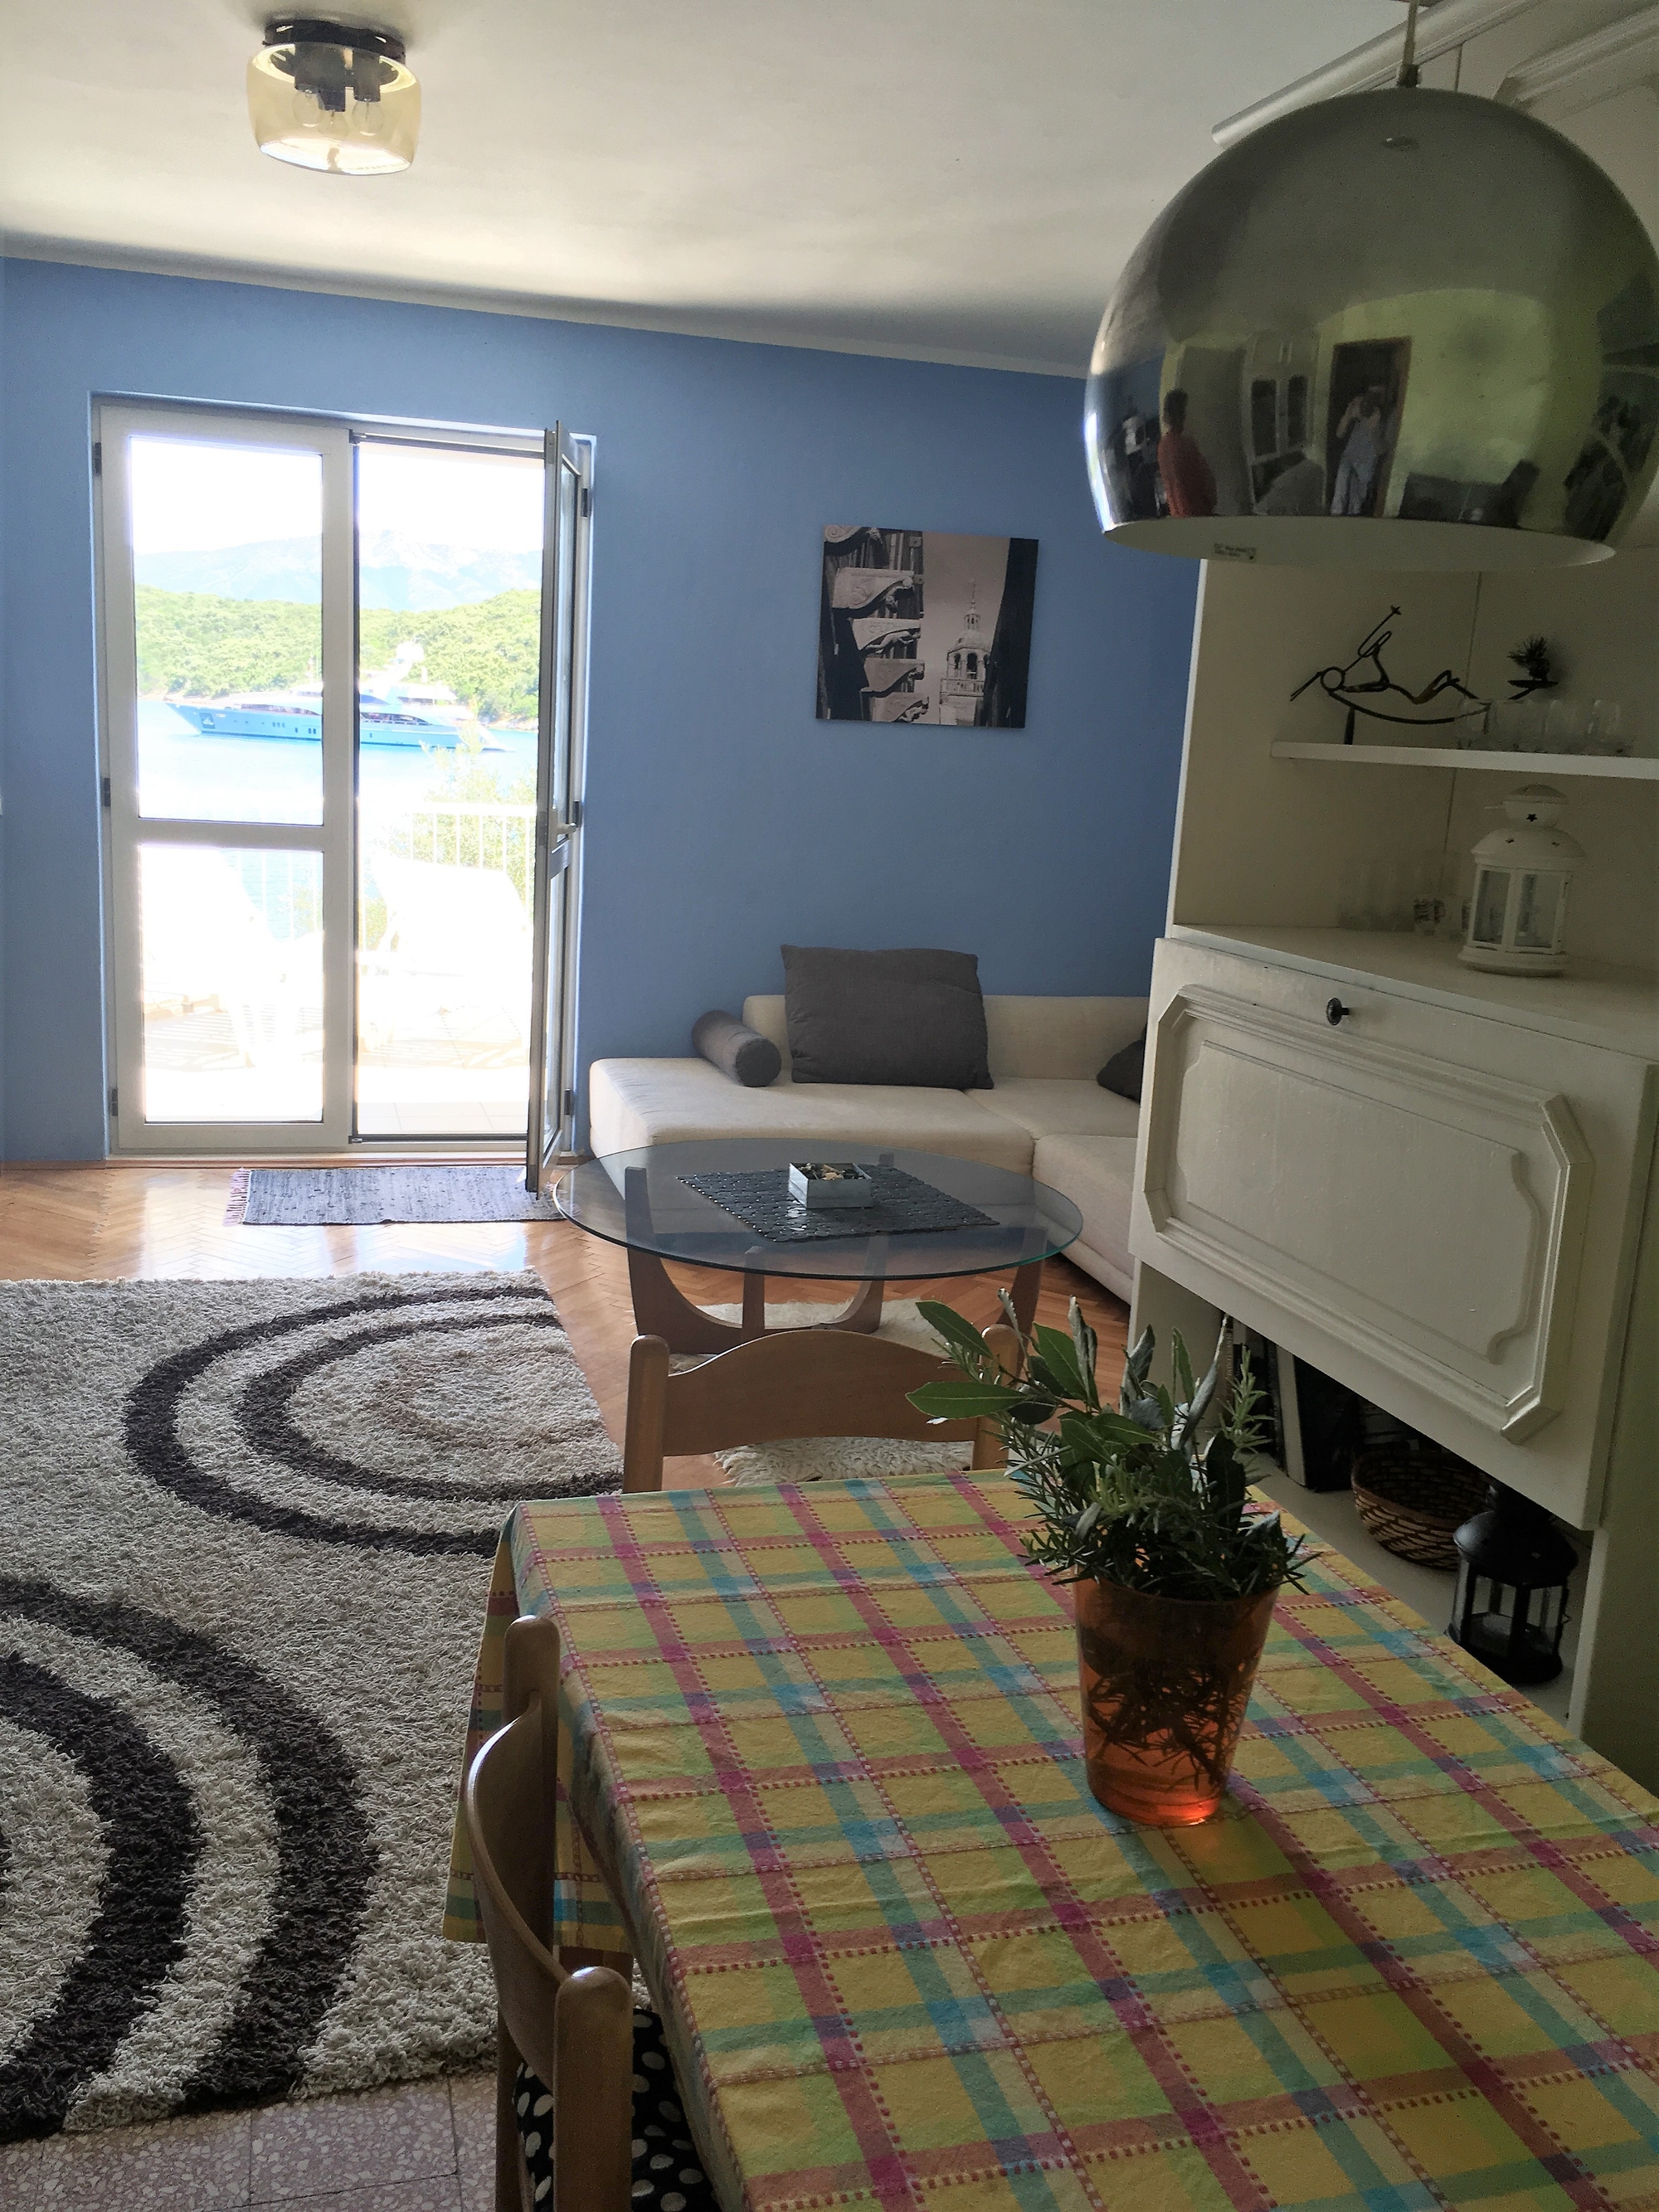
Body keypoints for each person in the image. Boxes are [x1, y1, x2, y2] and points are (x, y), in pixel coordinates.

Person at [1331, 385, 1395, 516]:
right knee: (1338, 500)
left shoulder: (1389, 416)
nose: (1372, 401)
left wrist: (1373, 429)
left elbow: (1382, 450)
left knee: (1356, 505)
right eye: (1370, 395)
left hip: (1366, 465)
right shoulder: (1359, 408)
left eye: (1377, 396)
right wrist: (1348, 415)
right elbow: (1339, 434)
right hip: (1348, 458)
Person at [1156, 390, 1216, 518]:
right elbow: (1208, 488)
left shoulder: (1162, 446)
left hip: (1179, 518)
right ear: (1182, 415)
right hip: (1198, 516)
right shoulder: (1185, 444)